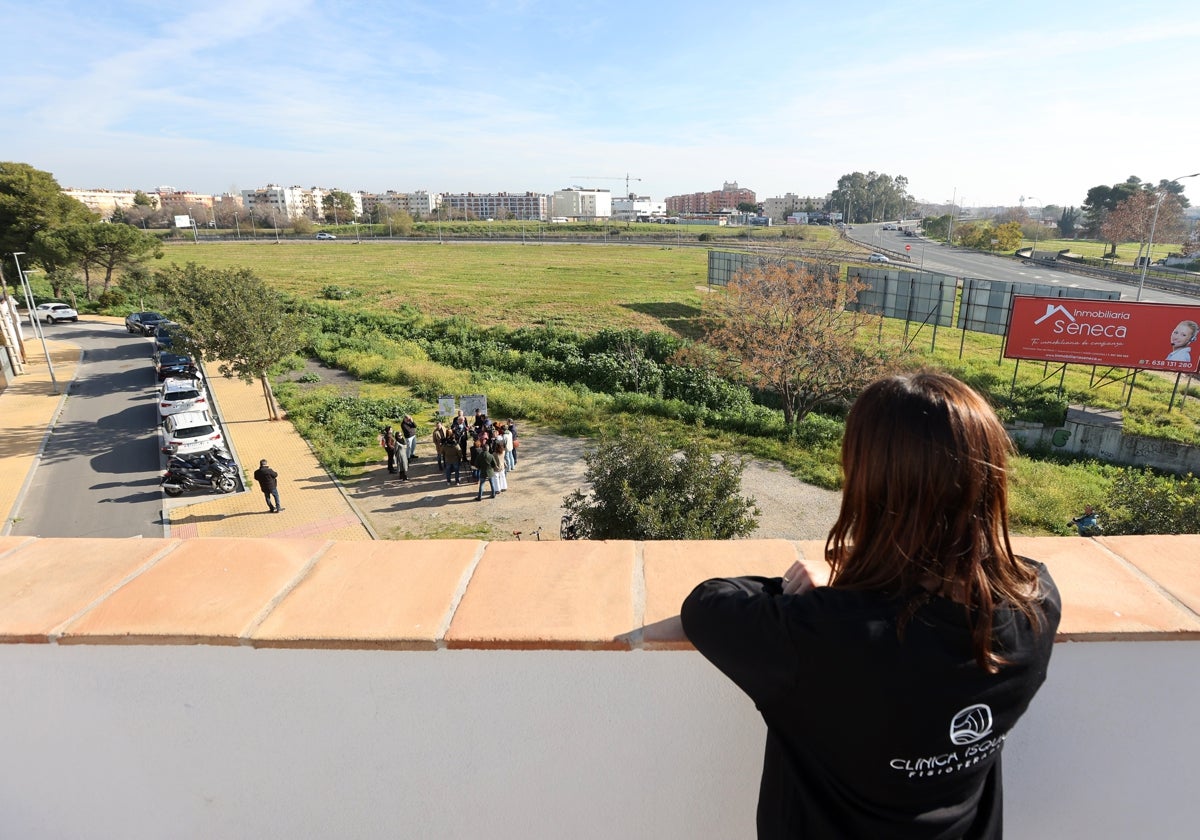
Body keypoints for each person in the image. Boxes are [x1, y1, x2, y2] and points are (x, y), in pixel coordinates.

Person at [681, 371, 1061, 839]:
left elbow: (706, 605)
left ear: (870, 487)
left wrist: (841, 580)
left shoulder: (828, 638)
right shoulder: (1035, 604)